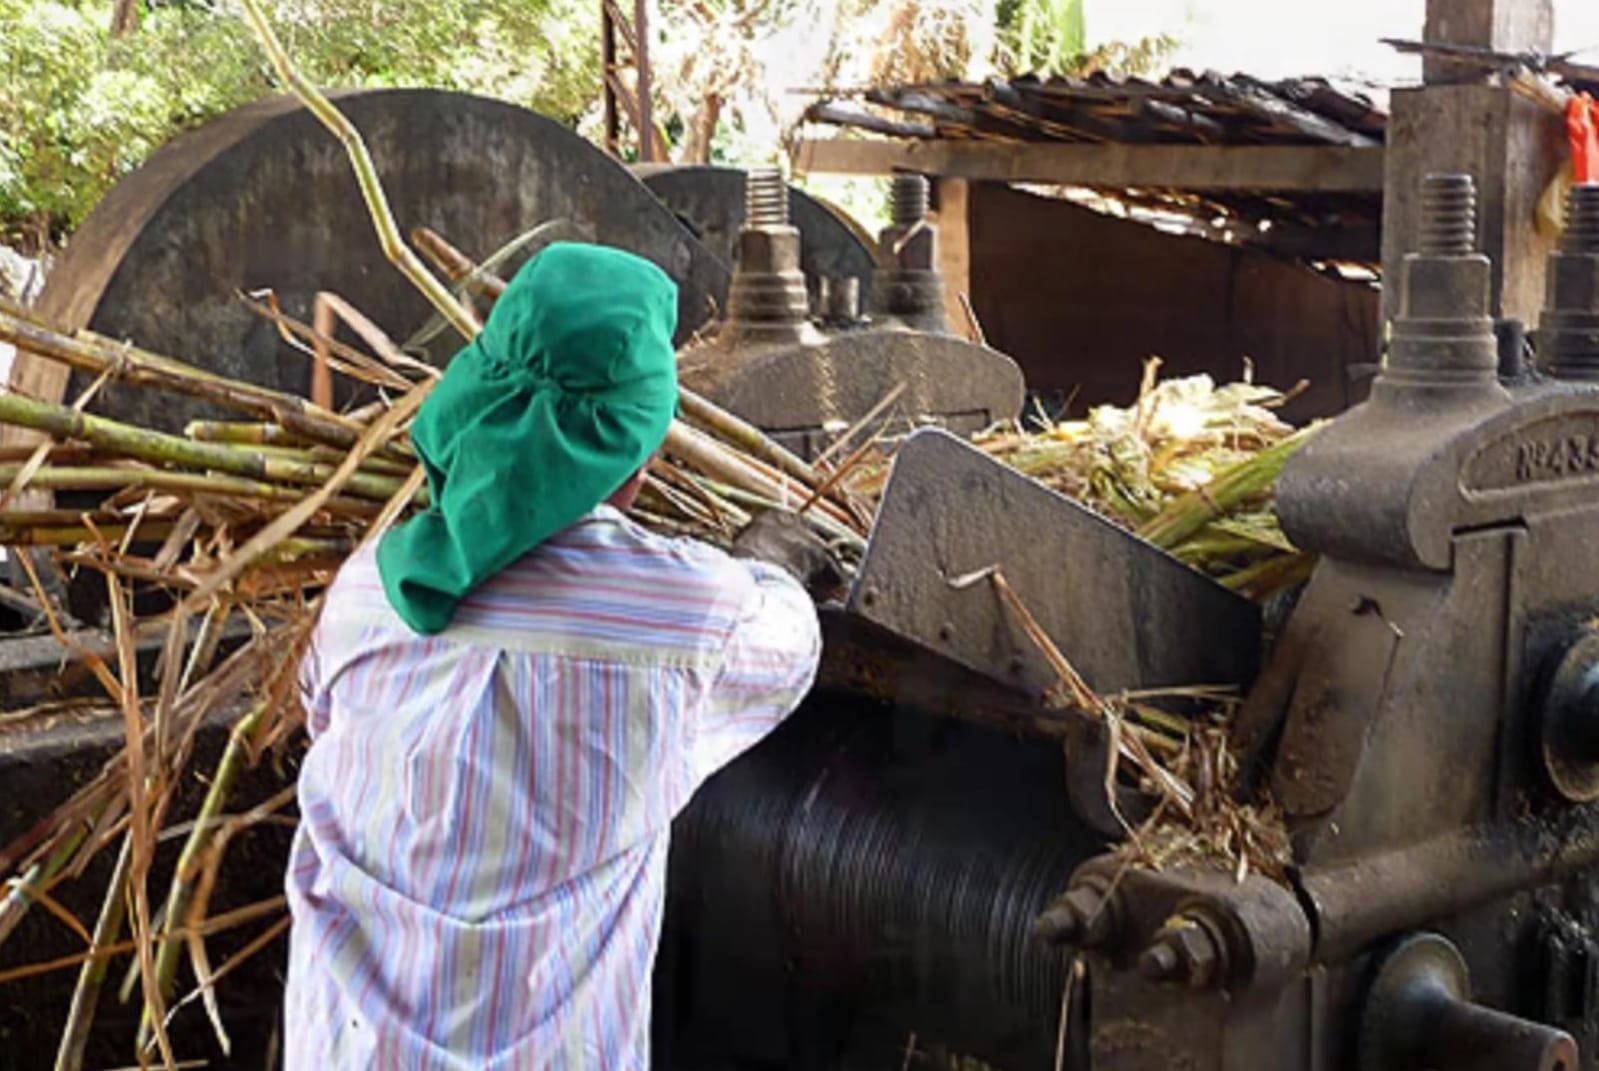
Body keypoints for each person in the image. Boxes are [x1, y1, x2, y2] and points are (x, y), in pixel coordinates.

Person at [282, 242, 838, 1069]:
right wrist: (765, 557)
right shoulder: (688, 614)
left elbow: (319, 711)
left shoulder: (367, 590)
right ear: (642, 453)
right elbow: (792, 641)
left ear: (475, 404)